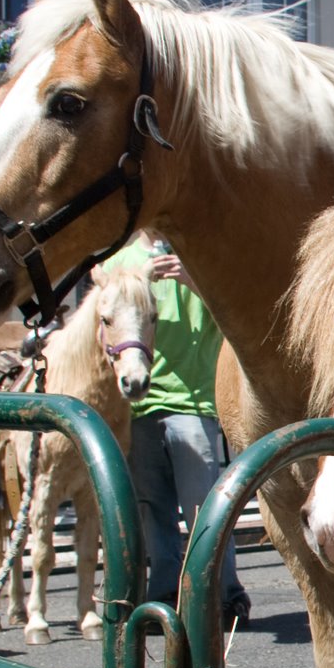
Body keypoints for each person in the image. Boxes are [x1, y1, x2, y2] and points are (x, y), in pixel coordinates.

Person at [111, 234, 251, 625]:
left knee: (204, 507)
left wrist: (192, 279)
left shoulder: (200, 248)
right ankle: (164, 598)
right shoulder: (119, 261)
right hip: (138, 401)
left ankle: (225, 595)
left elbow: (236, 313)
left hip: (193, 402)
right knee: (152, 508)